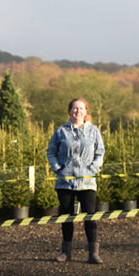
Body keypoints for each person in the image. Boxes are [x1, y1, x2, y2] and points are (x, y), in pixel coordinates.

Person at [46, 98, 105, 264]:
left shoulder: (94, 131)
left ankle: (93, 253)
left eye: (81, 108)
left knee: (90, 216)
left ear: (86, 111)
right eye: (74, 108)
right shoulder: (60, 132)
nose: (77, 111)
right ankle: (66, 253)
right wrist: (58, 168)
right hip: (65, 181)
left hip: (87, 182)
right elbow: (50, 152)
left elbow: (100, 152)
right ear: (70, 111)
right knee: (66, 217)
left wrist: (93, 169)